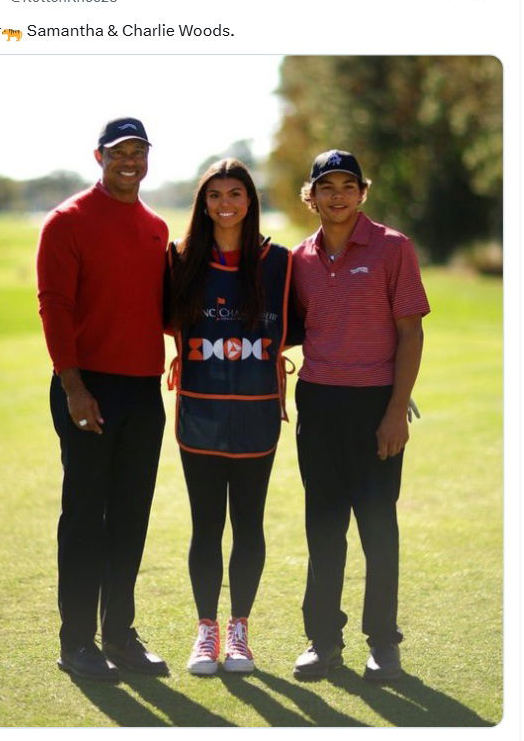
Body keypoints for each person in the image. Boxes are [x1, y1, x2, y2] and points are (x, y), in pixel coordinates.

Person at [37, 117, 169, 682]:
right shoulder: (67, 221)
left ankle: (119, 635)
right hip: (87, 387)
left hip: (143, 391)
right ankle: (76, 643)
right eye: (120, 152)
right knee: (87, 519)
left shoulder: (157, 228)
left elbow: (164, 309)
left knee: (131, 519)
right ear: (99, 156)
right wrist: (73, 388)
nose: (130, 161)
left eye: (138, 152)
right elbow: (55, 308)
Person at [291, 149, 430, 682]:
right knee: (323, 529)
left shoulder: (394, 247)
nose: (338, 195)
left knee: (377, 528)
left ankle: (383, 645)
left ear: (362, 193)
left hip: (375, 406)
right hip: (319, 404)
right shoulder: (300, 258)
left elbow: (410, 331)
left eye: (348, 186)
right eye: (327, 187)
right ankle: (323, 642)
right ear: (312, 196)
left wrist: (397, 409)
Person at [167, 159, 292, 676]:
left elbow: (307, 323)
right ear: (203, 203)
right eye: (214, 195)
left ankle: (239, 632)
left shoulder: (278, 262)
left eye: (235, 194)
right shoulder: (179, 260)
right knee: (205, 527)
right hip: (199, 414)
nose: (225, 204)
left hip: (256, 416)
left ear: (250, 200)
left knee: (248, 525)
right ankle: (205, 632)